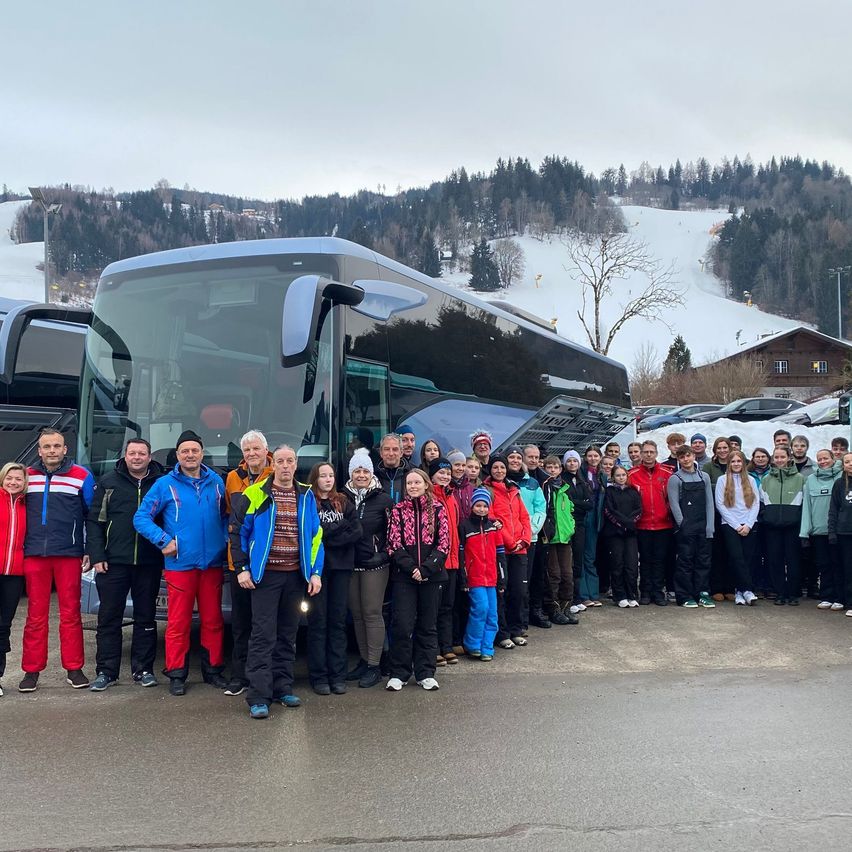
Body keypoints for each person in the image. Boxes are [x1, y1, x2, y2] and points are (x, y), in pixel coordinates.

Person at [229, 444, 324, 719]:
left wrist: (315, 571)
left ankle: (283, 687)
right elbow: (237, 534)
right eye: (280, 461)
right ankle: (259, 695)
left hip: (296, 576)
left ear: (296, 465)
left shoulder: (306, 494)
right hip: (265, 576)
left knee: (288, 634)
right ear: (274, 464)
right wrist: (242, 568)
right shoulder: (255, 494)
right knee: (262, 636)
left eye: (290, 461)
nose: (285, 466)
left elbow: (317, 536)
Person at [134, 430, 228, 696]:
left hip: (211, 564)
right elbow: (141, 518)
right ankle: (176, 673)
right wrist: (164, 540)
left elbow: (224, 517)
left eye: (194, 450)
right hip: (180, 565)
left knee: (213, 620)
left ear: (201, 453)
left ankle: (213, 670)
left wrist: (222, 541)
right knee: (178, 623)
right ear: (177, 455)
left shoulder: (216, 482)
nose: (190, 455)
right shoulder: (165, 484)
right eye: (184, 451)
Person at [19, 429, 95, 693]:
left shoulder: (82, 476)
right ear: (39, 450)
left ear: (65, 449)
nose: (52, 450)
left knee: (70, 614)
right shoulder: (27, 476)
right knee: (35, 615)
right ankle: (31, 671)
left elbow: (91, 516)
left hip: (69, 553)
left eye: (56, 446)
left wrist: (88, 548)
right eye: (46, 446)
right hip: (34, 553)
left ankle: (74, 668)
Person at [86, 439, 165, 691]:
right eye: (132, 453)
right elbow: (95, 521)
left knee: (146, 617)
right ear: (125, 455)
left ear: (150, 457)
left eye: (142, 453)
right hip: (112, 563)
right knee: (109, 618)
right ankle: (106, 671)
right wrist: (97, 555)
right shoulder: (109, 482)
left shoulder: (161, 483)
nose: (137, 458)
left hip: (149, 562)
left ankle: (143, 669)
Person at [385, 468, 450, 691]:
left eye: (417, 482)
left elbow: (444, 544)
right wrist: (412, 568)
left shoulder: (439, 509)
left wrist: (426, 568)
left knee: (427, 624)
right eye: (409, 483)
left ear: (425, 484)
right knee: (402, 625)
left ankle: (425, 672)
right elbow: (393, 543)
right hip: (405, 577)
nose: (413, 486)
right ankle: (399, 673)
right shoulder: (398, 510)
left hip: (431, 576)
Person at [223, 430, 274, 696]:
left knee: (265, 624)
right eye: (247, 450)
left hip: (269, 563)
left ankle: (266, 675)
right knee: (241, 623)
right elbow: (230, 517)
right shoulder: (232, 478)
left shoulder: (278, 476)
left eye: (256, 449)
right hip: (239, 564)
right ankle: (239, 675)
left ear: (267, 451)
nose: (252, 454)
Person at [306, 462, 362, 695]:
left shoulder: (344, 501)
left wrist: (328, 535)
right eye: (323, 476)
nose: (328, 480)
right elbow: (311, 532)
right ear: (315, 478)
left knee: (338, 622)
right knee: (317, 622)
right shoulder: (308, 501)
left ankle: (337, 675)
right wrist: (337, 529)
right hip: (316, 571)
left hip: (341, 568)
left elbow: (356, 532)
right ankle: (318, 676)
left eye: (331, 475)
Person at [343, 448, 393, 688]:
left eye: (365, 470)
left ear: (371, 472)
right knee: (358, 615)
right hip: (350, 565)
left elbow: (393, 533)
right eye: (357, 471)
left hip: (375, 565)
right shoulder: (341, 497)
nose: (361, 475)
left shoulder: (383, 498)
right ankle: (364, 660)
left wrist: (382, 554)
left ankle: (375, 665)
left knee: (372, 613)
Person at [484, 454, 532, 648]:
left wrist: (525, 539)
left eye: (502, 468)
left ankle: (516, 629)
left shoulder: (514, 489)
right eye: (495, 467)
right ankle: (502, 632)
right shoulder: (487, 490)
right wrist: (511, 542)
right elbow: (492, 518)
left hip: (520, 549)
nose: (499, 471)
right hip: (501, 549)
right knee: (502, 592)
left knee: (519, 591)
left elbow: (524, 517)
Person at [459, 487, 506, 662]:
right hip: (475, 578)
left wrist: (502, 579)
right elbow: (462, 555)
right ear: (472, 506)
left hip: (492, 578)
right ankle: (472, 644)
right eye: (478, 505)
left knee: (492, 613)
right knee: (480, 609)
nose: (482, 509)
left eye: (485, 506)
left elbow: (500, 555)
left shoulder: (493, 527)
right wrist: (463, 578)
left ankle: (487, 647)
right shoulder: (464, 526)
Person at [667, 445, 715, 608]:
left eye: (688, 456)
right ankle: (684, 595)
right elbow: (674, 504)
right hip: (686, 528)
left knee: (703, 561)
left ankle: (702, 593)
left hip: (703, 526)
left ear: (694, 456)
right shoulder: (675, 479)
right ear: (679, 459)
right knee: (685, 561)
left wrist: (710, 526)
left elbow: (710, 503)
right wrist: (682, 525)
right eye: (682, 457)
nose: (686, 459)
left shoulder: (705, 477)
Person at [628, 440, 674, 606]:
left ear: (656, 453)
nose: (648, 455)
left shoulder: (667, 473)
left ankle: (658, 591)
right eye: (645, 452)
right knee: (645, 559)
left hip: (663, 524)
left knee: (660, 559)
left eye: (651, 452)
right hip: (642, 525)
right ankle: (646, 591)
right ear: (641, 453)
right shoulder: (632, 474)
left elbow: (673, 498)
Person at [759, 446, 805, 606]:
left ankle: (792, 593)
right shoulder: (766, 479)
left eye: (782, 457)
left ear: (789, 458)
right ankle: (780, 592)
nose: (779, 460)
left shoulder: (800, 478)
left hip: (793, 527)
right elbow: (761, 502)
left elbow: (805, 503)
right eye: (776, 457)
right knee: (774, 560)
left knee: (793, 561)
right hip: (772, 527)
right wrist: (766, 517)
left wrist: (797, 519)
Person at [506, 445, 545, 634]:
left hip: (530, 539)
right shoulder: (502, 482)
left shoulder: (532, 483)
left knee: (524, 583)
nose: (514, 461)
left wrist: (531, 530)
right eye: (511, 457)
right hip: (507, 541)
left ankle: (521, 621)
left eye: (517, 457)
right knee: (509, 584)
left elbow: (540, 507)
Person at [800, 449, 843, 611]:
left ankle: (840, 596)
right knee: (823, 564)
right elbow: (807, 507)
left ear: (833, 458)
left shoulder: (841, 478)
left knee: (838, 564)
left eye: (826, 458)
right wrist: (805, 531)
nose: (823, 461)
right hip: (818, 531)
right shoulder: (810, 479)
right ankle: (827, 596)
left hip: (837, 531)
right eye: (820, 459)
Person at [715, 451, 759, 606]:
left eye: (739, 461)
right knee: (736, 558)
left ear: (743, 463)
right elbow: (720, 504)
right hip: (730, 525)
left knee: (747, 558)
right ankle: (747, 589)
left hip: (748, 524)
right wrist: (736, 525)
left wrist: (748, 524)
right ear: (729, 463)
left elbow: (756, 504)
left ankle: (740, 592)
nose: (736, 464)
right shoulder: (722, 480)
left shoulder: (751, 480)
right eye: (733, 461)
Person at [429, 457, 460, 666]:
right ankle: (434, 648)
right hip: (437, 561)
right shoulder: (430, 497)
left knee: (448, 606)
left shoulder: (451, 496)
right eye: (441, 472)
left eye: (448, 473)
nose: (445, 476)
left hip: (453, 560)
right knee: (434, 607)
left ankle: (446, 646)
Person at [541, 457, 578, 624]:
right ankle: (553, 608)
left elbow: (571, 509)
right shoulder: (544, 487)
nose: (552, 470)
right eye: (549, 467)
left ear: (560, 469)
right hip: (551, 537)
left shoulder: (565, 487)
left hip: (565, 537)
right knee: (553, 575)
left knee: (567, 574)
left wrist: (571, 526)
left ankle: (566, 607)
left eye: (555, 467)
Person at [0, 463, 27, 696]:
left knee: (3, 626)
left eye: (18, 479)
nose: (13, 483)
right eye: (10, 478)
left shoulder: (26, 505)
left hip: (14, 575)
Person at [601, 465, 641, 608]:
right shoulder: (609, 491)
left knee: (631, 565)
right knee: (617, 564)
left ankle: (632, 594)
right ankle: (620, 595)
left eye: (623, 475)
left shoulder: (633, 491)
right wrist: (621, 523)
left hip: (630, 533)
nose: (621, 478)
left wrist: (629, 523)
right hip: (614, 533)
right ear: (613, 477)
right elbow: (609, 510)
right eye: (618, 475)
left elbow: (638, 510)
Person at [562, 450, 593, 613]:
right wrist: (579, 503)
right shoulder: (562, 480)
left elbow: (590, 504)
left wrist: (575, 503)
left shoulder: (582, 481)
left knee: (578, 560)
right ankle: (568, 597)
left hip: (580, 524)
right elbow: (566, 502)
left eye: (575, 461)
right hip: (567, 524)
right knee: (568, 561)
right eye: (569, 461)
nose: (572, 464)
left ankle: (577, 595)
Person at [579, 445, 606, 606]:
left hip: (596, 517)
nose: (593, 458)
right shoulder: (581, 472)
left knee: (590, 556)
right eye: (590, 456)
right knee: (581, 556)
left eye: (596, 456)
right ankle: (584, 594)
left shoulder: (601, 475)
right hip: (583, 517)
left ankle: (594, 594)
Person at [827, 452, 852, 618]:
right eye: (847, 462)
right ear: (842, 465)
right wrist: (832, 532)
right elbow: (833, 509)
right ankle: (842, 599)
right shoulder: (839, 484)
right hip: (843, 532)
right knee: (843, 567)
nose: (850, 464)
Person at [375, 433, 411, 504]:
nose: (391, 453)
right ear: (381, 453)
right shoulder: (373, 475)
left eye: (395, 449)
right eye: (387, 449)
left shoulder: (413, 473)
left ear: (401, 453)